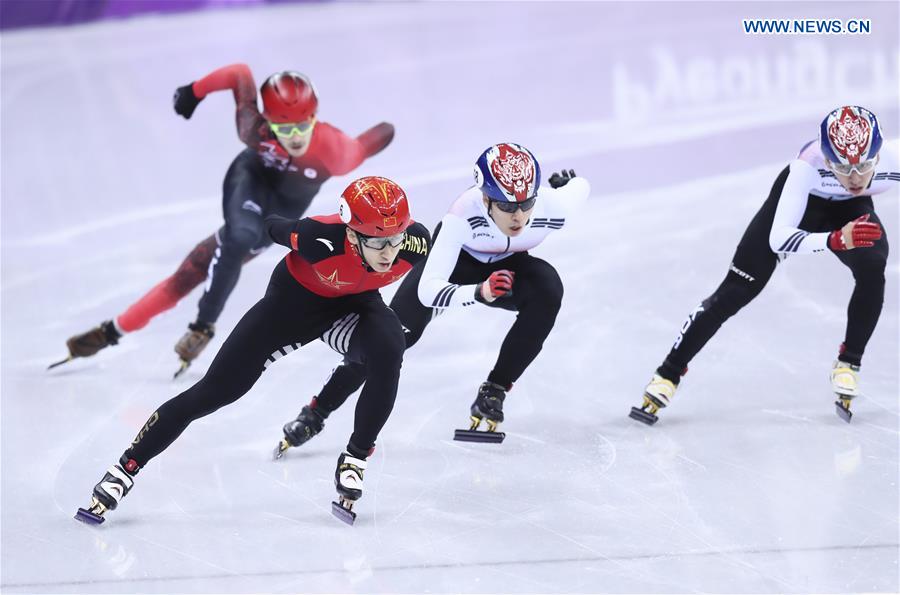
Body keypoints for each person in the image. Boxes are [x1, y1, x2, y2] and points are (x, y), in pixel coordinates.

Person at [75, 176, 432, 526]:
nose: (389, 252)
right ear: (352, 235)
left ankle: (355, 458)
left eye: (395, 239)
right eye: (377, 242)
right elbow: (273, 225)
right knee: (214, 392)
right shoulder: (317, 238)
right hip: (290, 309)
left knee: (390, 347)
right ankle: (125, 468)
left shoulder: (415, 244)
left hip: (355, 308)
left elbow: (424, 289)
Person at [54, 63, 395, 376]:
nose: (293, 136)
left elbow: (372, 140)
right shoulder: (254, 129)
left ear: (315, 116)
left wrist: (382, 131)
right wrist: (194, 91)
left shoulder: (336, 151)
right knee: (239, 237)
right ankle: (202, 326)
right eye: (282, 127)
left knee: (194, 269)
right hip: (248, 181)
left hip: (279, 213)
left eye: (302, 125)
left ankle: (112, 330)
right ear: (268, 121)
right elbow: (239, 74)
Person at [274, 142, 590, 454]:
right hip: (455, 265)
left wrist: (567, 185)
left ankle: (494, 390)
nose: (518, 216)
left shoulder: (554, 208)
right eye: (507, 206)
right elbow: (428, 290)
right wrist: (478, 293)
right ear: (484, 198)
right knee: (392, 341)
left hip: (510, 266)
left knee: (548, 288)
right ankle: (317, 410)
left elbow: (580, 187)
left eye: (526, 204)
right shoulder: (462, 216)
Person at [630, 105, 896, 426]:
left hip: (849, 211)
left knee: (872, 268)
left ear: (879, 156)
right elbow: (779, 240)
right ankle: (667, 375)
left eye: (864, 166)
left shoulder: (891, 162)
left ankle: (849, 364)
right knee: (736, 290)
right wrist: (833, 240)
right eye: (842, 168)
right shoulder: (805, 169)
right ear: (827, 160)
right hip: (798, 206)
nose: (854, 178)